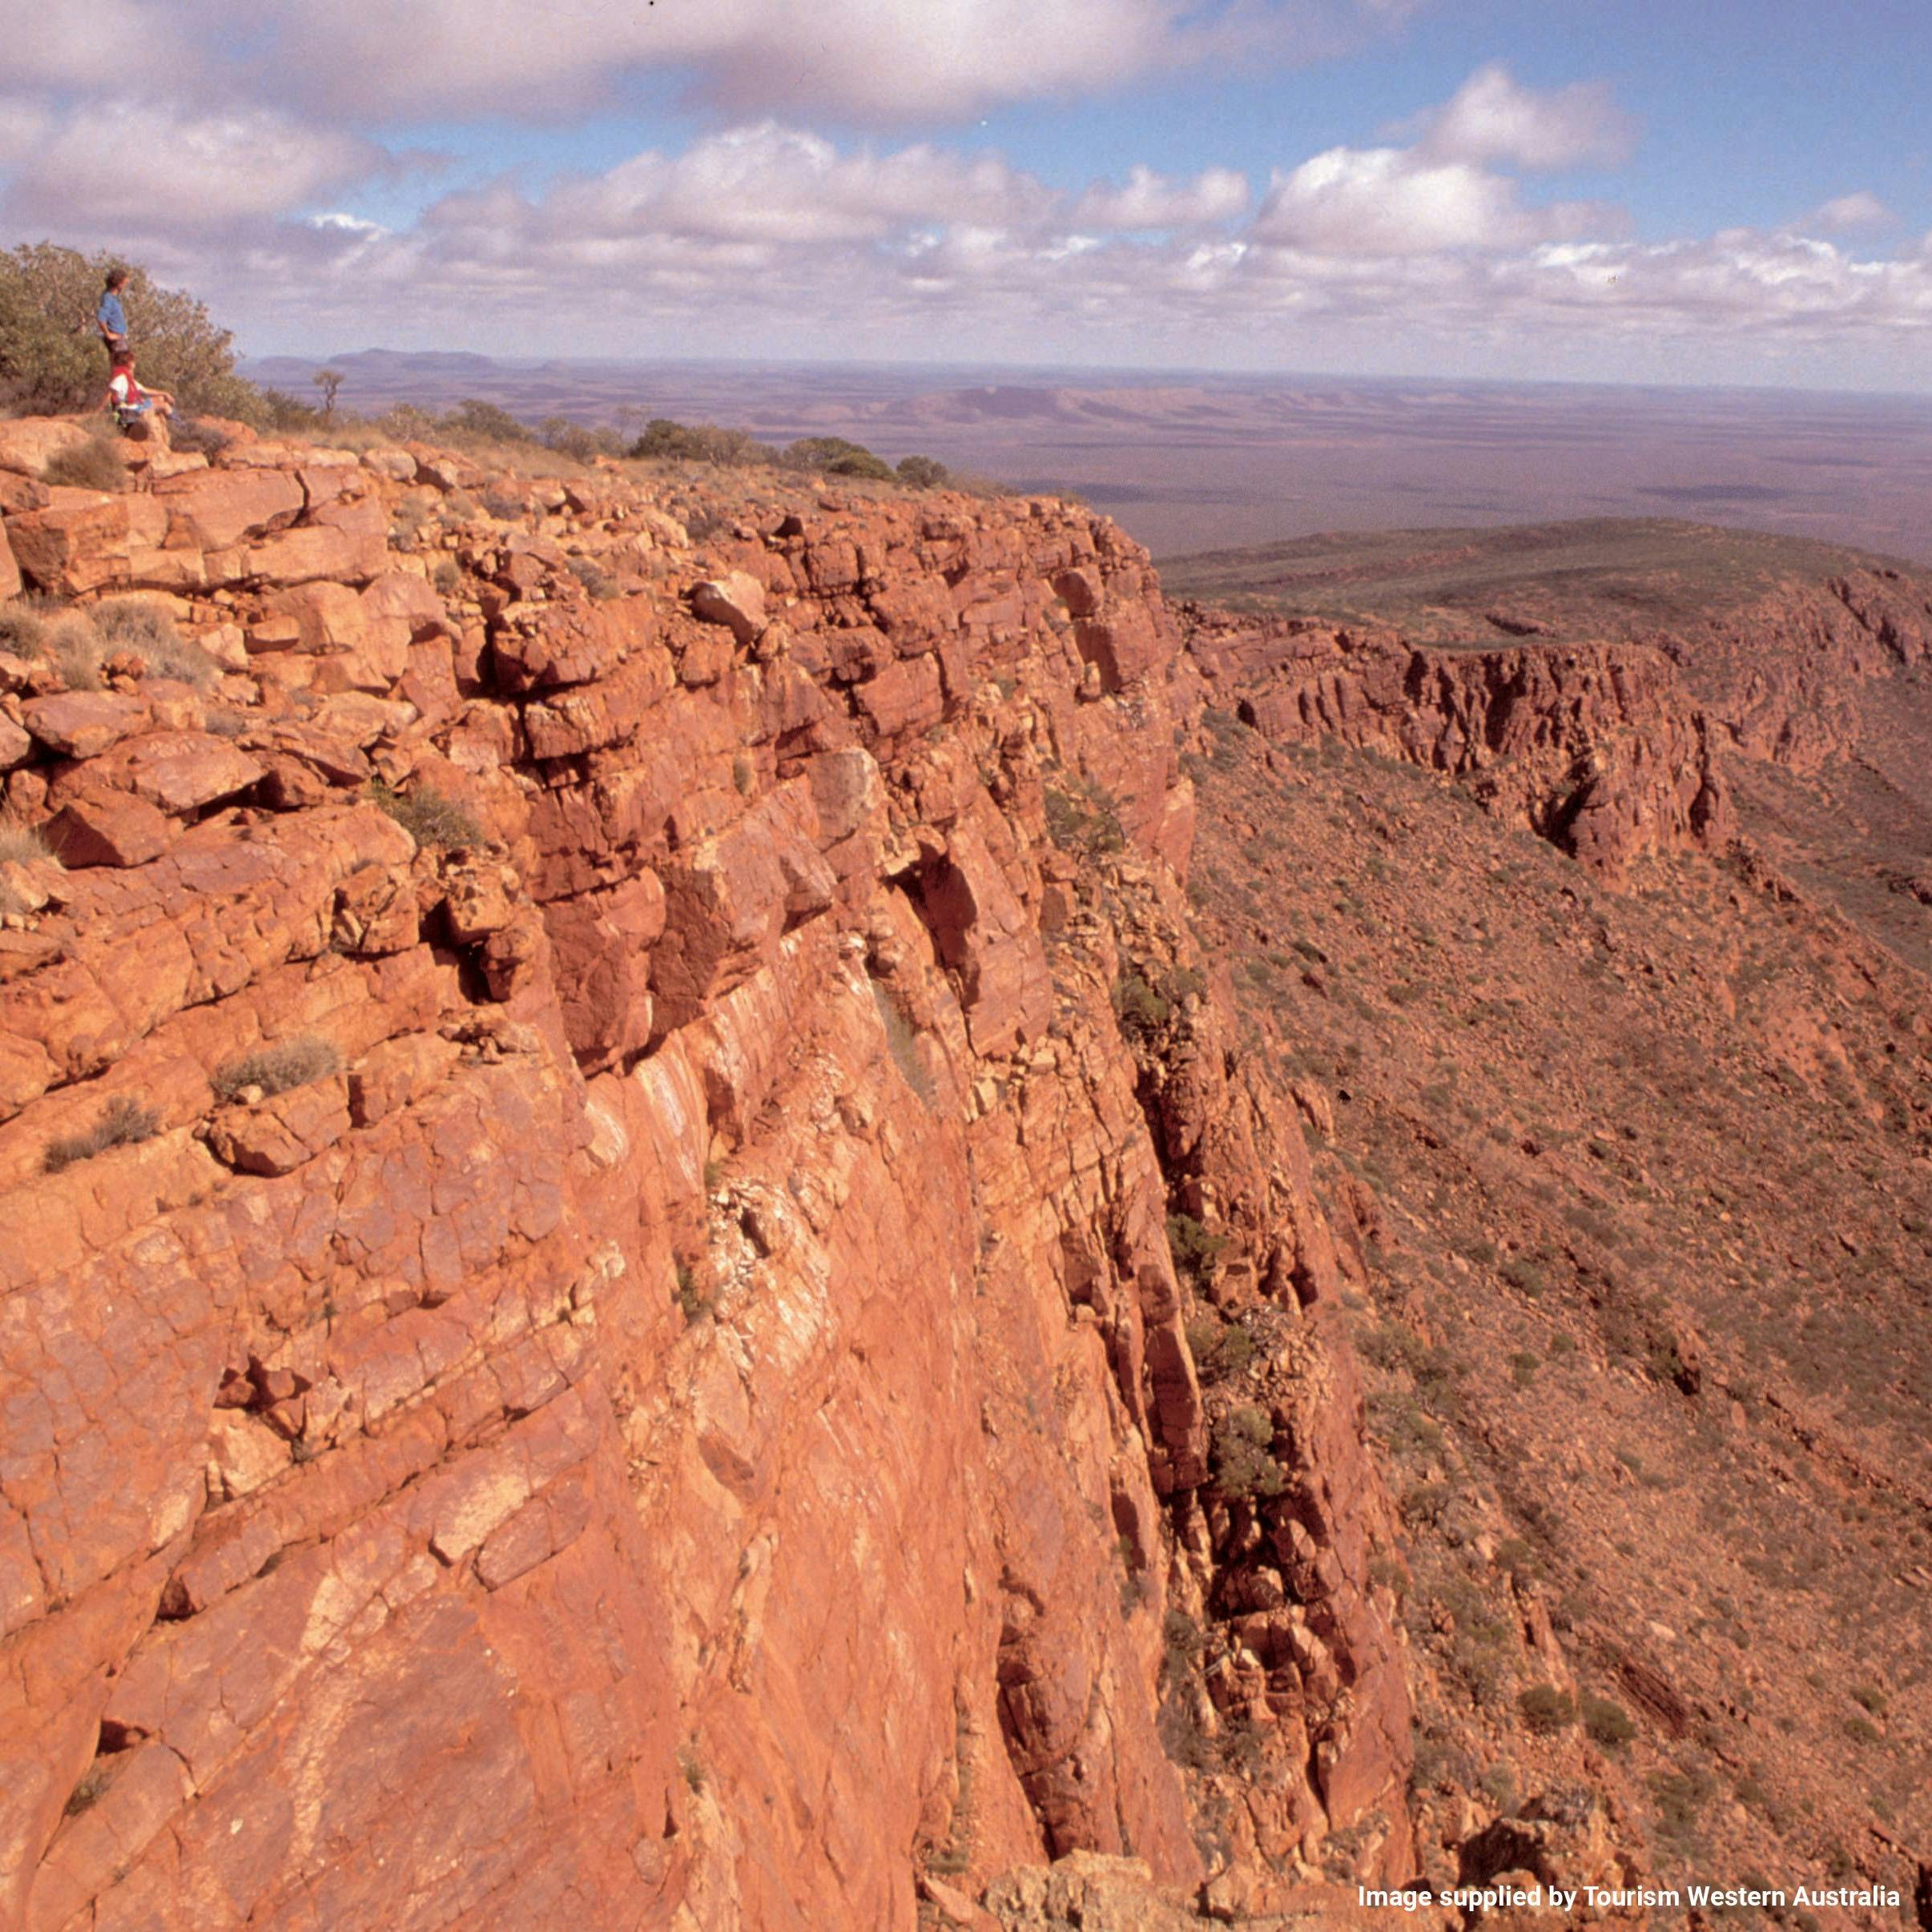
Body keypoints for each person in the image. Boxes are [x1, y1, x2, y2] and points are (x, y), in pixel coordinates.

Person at [103, 350, 175, 449]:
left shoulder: (128, 378)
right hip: (126, 413)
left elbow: (144, 391)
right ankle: (178, 428)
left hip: (133, 408)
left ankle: (168, 429)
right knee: (165, 406)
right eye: (132, 361)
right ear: (127, 363)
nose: (134, 363)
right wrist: (98, 411)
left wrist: (165, 393)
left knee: (161, 399)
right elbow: (109, 395)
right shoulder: (120, 379)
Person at [96, 269, 130, 360]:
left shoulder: (114, 297)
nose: (125, 286)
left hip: (119, 337)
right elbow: (101, 318)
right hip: (116, 340)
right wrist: (108, 335)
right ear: (119, 284)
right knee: (122, 366)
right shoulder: (108, 299)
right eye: (124, 283)